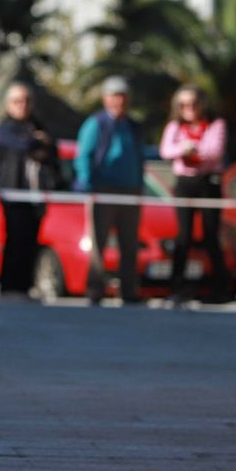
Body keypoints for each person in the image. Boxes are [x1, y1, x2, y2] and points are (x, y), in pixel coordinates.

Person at [74, 76, 145, 306]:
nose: (119, 101)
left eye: (123, 96)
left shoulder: (133, 126)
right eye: (115, 96)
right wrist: (87, 183)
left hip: (131, 191)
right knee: (99, 242)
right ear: (106, 98)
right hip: (103, 190)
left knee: (130, 243)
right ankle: (95, 289)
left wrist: (140, 185)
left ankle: (129, 290)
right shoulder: (96, 123)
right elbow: (83, 155)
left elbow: (139, 157)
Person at [160, 85, 229, 306]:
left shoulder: (215, 124)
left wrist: (193, 150)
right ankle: (177, 287)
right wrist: (184, 149)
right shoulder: (175, 127)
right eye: (183, 105)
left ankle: (218, 288)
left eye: (193, 104)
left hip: (208, 183)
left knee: (210, 235)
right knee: (184, 236)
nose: (188, 109)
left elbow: (214, 151)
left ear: (202, 104)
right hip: (185, 183)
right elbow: (166, 151)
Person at [0, 82, 58, 302]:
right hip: (14, 193)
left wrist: (40, 143)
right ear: (8, 104)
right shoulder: (6, 127)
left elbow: (52, 148)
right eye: (17, 101)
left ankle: (24, 287)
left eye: (26, 101)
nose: (23, 105)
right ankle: (9, 288)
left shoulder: (36, 124)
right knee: (15, 241)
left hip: (36, 195)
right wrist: (36, 141)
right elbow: (21, 145)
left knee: (31, 242)